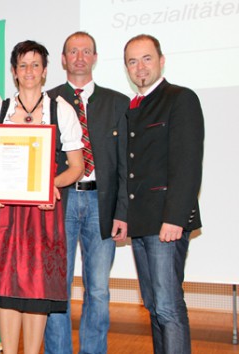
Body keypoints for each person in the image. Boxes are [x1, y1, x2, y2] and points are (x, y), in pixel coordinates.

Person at [0, 40, 85, 354]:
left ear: (45, 71)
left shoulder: (60, 109)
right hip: (3, 211)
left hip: (42, 212)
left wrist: (53, 186)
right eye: (23, 65)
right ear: (14, 71)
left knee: (37, 290)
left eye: (35, 65)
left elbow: (77, 166)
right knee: (4, 288)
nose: (29, 71)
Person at [44, 31, 129, 354]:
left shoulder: (118, 102)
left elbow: (124, 164)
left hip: (101, 204)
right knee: (57, 289)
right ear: (63, 59)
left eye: (86, 51)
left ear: (95, 58)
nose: (79, 57)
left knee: (99, 290)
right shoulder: (46, 100)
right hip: (60, 202)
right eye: (72, 52)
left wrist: (123, 211)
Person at [124, 34, 204, 354]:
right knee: (155, 307)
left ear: (161, 60)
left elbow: (187, 164)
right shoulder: (133, 107)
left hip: (166, 225)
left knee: (169, 308)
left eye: (146, 58)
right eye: (132, 61)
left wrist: (174, 218)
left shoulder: (180, 98)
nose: (140, 67)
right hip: (141, 223)